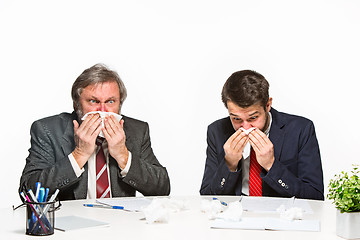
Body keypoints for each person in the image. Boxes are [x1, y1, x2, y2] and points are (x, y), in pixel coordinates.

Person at [19, 63, 170, 200]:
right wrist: (79, 155)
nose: (102, 111)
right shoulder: (48, 130)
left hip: (121, 223)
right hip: (72, 225)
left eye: (110, 102)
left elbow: (162, 189)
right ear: (76, 104)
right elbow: (27, 193)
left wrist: (123, 155)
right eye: (93, 101)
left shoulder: (137, 130)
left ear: (120, 104)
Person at [200, 70, 324, 200]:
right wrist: (229, 164)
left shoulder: (301, 129)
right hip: (234, 213)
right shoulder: (216, 131)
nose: (245, 127)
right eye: (236, 119)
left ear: (268, 105)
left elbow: (315, 197)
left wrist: (271, 165)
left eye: (253, 118)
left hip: (280, 214)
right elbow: (206, 196)